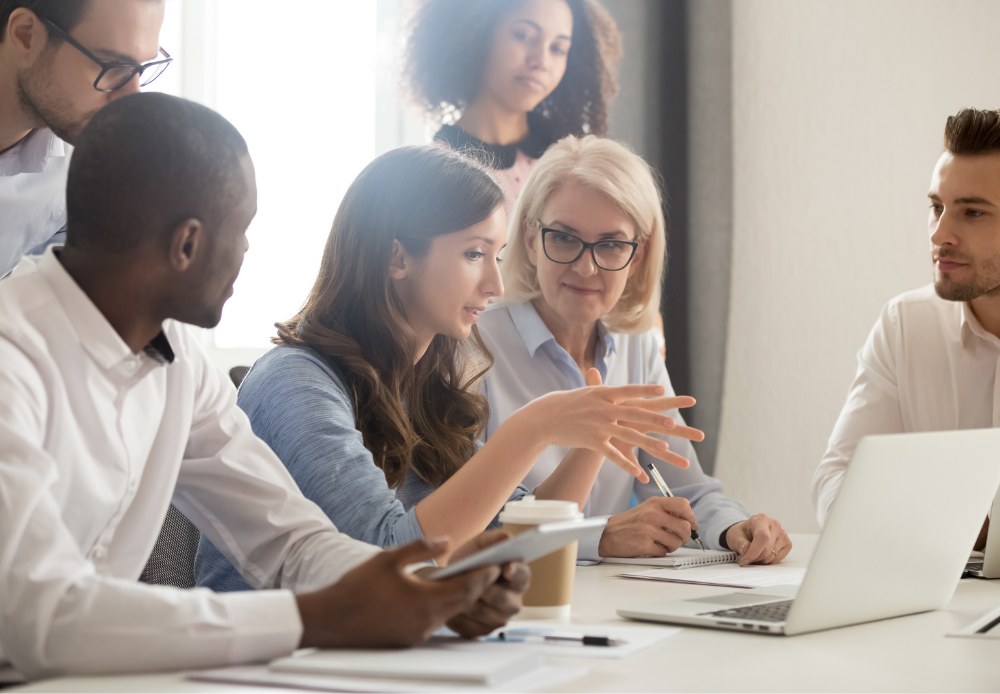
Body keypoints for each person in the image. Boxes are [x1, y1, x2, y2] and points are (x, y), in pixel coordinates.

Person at [0, 92, 531, 680]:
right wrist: (316, 618)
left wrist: (429, 590)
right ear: (187, 244)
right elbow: (42, 619)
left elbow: (289, 541)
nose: (248, 252)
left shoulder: (179, 358)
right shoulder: (11, 358)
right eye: (242, 229)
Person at [195, 143, 692, 591]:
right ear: (397, 257)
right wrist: (532, 428)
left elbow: (524, 541)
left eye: (496, 256)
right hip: (270, 653)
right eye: (474, 253)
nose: (496, 285)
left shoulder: (420, 388)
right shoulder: (295, 382)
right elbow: (385, 557)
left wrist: (596, 435)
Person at [481, 134, 792, 564]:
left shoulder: (636, 346)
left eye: (611, 245)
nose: (586, 267)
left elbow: (688, 491)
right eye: (564, 238)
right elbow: (474, 523)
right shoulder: (473, 344)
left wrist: (734, 529)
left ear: (638, 256)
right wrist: (600, 536)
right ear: (531, 240)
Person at [813, 107, 1000, 551]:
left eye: (973, 212)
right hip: (945, 589)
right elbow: (835, 483)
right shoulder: (906, 325)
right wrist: (949, 522)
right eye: (936, 208)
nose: (939, 235)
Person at [0, 0, 170, 278]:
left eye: (140, 68)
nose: (131, 97)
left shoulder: (82, 172)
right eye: (113, 66)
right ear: (25, 35)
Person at [400, 0, 621, 213]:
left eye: (557, 48)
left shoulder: (570, 161)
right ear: (477, 32)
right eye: (524, 36)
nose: (541, 61)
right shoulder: (432, 175)